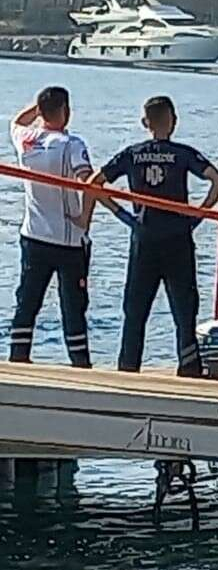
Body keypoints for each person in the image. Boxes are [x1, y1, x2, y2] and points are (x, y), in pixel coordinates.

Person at [85, 96, 218, 377]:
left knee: (135, 310)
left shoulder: (132, 154)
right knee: (184, 310)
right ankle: (189, 368)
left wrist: (124, 215)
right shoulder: (183, 153)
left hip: (145, 238)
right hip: (178, 238)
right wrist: (198, 214)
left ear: (145, 123)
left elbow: (94, 185)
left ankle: (128, 369)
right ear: (173, 121)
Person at [9, 87, 94, 367]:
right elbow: (88, 183)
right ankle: (80, 363)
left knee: (28, 300)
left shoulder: (25, 138)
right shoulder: (72, 144)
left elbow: (17, 121)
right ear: (65, 111)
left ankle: (18, 357)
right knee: (73, 305)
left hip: (33, 234)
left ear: (41, 112)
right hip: (67, 240)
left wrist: (38, 107)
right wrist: (85, 218)